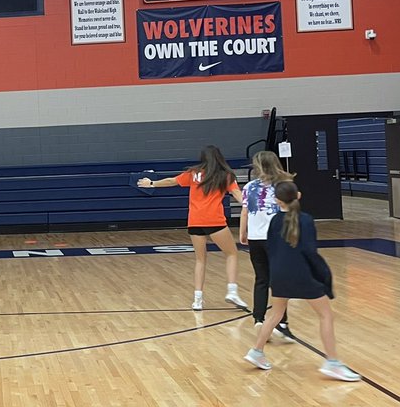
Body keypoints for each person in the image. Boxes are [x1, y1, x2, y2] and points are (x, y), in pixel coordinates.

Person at [244, 181, 361, 381]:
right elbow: (310, 253)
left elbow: (271, 249)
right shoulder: (305, 220)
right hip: (301, 274)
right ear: (298, 195)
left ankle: (256, 351)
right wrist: (324, 277)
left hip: (279, 273)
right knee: (325, 315)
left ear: (276, 200)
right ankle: (333, 362)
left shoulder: (274, 221)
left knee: (275, 314)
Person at [138, 145, 250, 311]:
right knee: (231, 253)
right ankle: (232, 290)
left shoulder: (193, 174)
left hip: (195, 222)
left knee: (200, 259)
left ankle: (197, 299)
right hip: (215, 221)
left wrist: (151, 183)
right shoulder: (226, 175)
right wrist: (250, 207)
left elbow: (172, 181)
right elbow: (238, 196)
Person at [240, 152, 294, 342]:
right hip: (275, 238)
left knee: (261, 279)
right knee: (280, 280)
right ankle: (282, 323)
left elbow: (245, 213)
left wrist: (242, 232)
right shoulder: (282, 187)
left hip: (255, 238)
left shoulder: (248, 187)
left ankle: (259, 319)